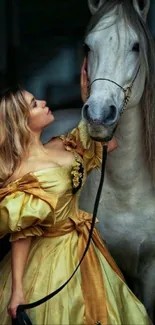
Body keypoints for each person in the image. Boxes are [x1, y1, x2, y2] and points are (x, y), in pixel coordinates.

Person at [0, 59, 151, 325]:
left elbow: (108, 142)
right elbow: (21, 236)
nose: (44, 103)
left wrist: (89, 95)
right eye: (35, 104)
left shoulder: (63, 144)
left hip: (86, 250)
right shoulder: (23, 173)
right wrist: (18, 291)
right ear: (22, 122)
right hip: (50, 263)